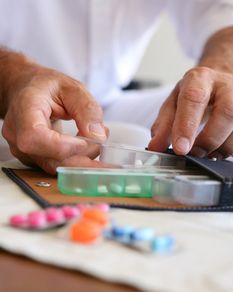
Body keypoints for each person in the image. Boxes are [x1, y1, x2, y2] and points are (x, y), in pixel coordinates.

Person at [0, 0, 233, 173]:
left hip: (111, 103)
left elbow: (222, 13)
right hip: (7, 107)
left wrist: (221, 73)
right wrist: (13, 79)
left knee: (218, 118)